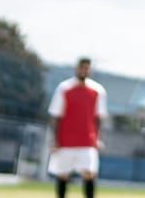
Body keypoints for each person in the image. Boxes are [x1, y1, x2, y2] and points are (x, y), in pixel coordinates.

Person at [46, 58, 107, 198]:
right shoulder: (64, 88)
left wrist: (97, 138)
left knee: (89, 173)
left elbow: (99, 117)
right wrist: (54, 140)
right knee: (62, 175)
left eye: (87, 68)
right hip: (65, 141)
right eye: (82, 67)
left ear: (90, 70)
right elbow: (55, 115)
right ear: (77, 68)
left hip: (87, 141)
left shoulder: (98, 90)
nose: (84, 70)